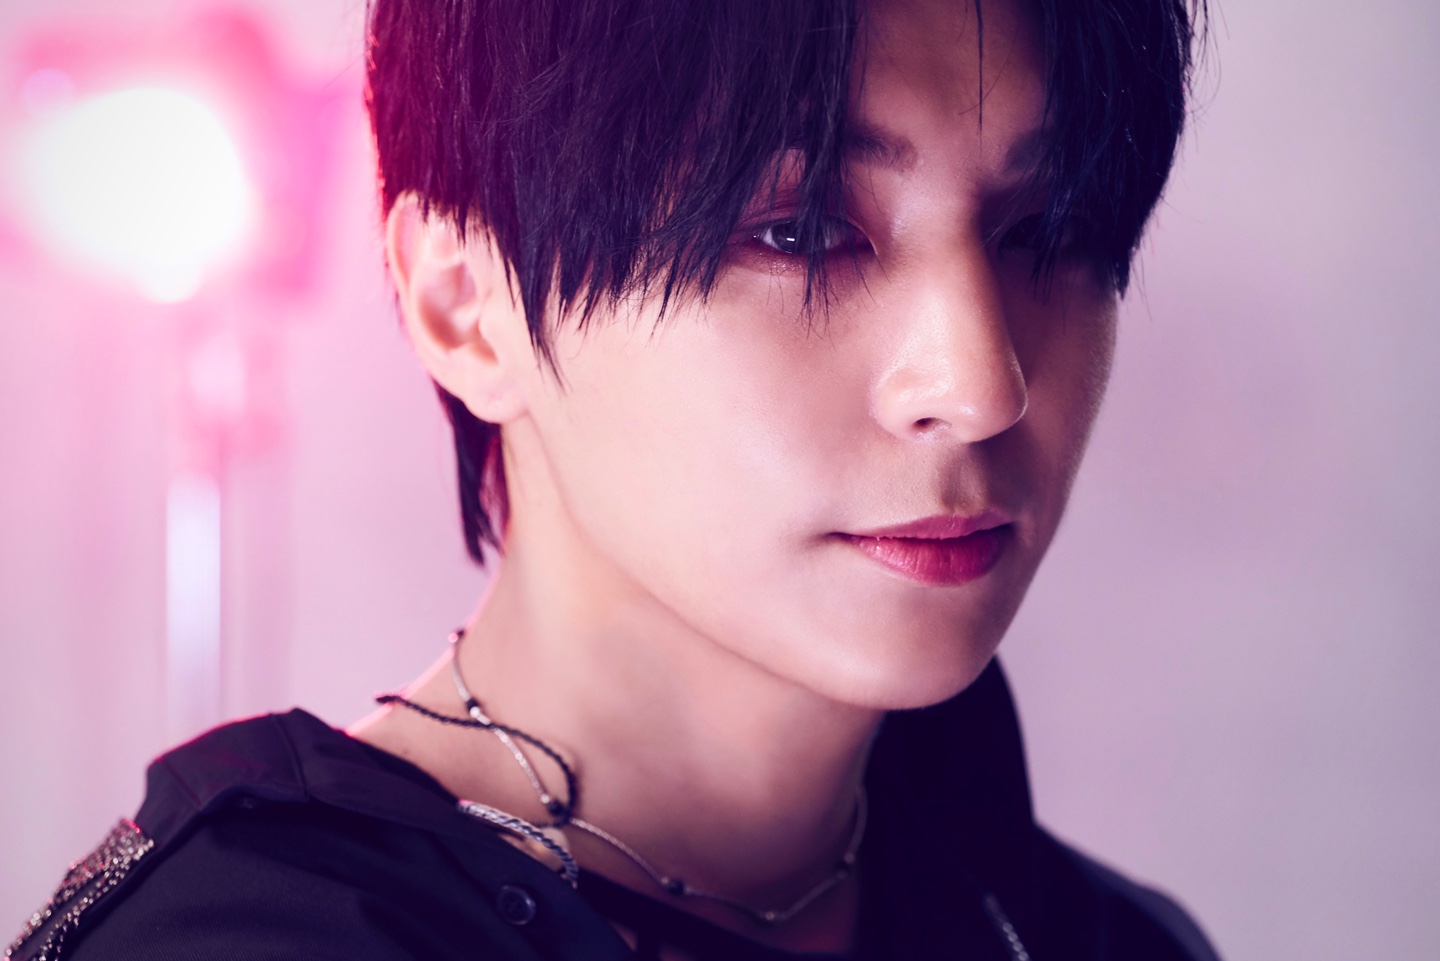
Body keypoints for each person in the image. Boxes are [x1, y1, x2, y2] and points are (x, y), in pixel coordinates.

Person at [10, 0, 1219, 958]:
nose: (983, 381)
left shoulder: (1093, 937)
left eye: (1047, 228)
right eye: (800, 231)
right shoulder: (257, 936)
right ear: (465, 305)